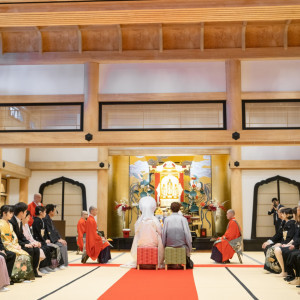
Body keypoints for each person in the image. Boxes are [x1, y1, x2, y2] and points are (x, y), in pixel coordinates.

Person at [0, 205, 35, 283]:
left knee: (25, 255)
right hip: (5, 246)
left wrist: (16, 245)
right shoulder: (0, 224)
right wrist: (12, 246)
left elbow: (14, 237)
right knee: (18, 255)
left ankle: (20, 277)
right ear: (4, 213)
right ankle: (12, 277)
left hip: (12, 245)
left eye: (12, 213)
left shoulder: (10, 224)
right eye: (10, 213)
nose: (12, 214)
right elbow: (2, 240)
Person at [9, 202, 41, 278]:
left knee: (36, 249)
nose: (26, 213)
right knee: (30, 250)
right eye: (26, 211)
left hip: (20, 242)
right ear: (21, 213)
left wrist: (30, 243)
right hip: (15, 244)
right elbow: (14, 238)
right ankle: (26, 273)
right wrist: (24, 244)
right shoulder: (12, 222)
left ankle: (34, 270)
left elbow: (21, 236)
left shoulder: (18, 220)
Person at [263, 207, 296, 274]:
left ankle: (277, 268)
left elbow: (290, 237)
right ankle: (272, 267)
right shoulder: (285, 223)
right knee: (269, 248)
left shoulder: (291, 224)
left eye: (282, 213)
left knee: (272, 249)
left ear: (287, 215)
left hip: (287, 243)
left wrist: (282, 244)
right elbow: (279, 235)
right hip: (283, 242)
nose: (281, 215)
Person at [162, 201, 192, 268]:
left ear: (171, 209)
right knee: (186, 246)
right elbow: (187, 233)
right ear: (179, 209)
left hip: (169, 244)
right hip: (181, 244)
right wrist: (189, 246)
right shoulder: (183, 219)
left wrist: (163, 245)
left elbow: (164, 233)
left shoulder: (167, 219)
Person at [22, 210, 46, 276]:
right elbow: (23, 238)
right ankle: (33, 270)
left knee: (39, 248)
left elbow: (30, 237)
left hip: (30, 242)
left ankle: (36, 270)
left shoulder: (26, 225)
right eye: (28, 217)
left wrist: (36, 242)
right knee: (37, 250)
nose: (29, 219)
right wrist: (32, 243)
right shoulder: (20, 225)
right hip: (25, 243)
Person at [44, 204, 68, 269]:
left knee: (64, 243)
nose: (55, 212)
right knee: (61, 245)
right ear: (51, 211)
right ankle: (60, 264)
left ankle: (65, 263)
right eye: (54, 211)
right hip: (48, 239)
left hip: (53, 238)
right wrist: (57, 240)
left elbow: (55, 231)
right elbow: (49, 232)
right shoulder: (46, 219)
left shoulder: (49, 219)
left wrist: (60, 238)